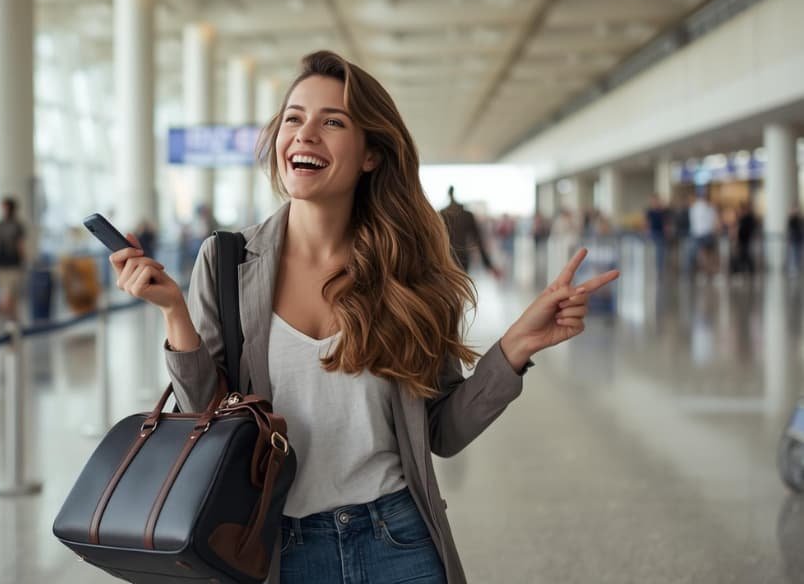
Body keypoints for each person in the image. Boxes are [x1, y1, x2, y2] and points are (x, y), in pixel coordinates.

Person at [108, 51, 619, 584]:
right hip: (277, 550)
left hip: (398, 540)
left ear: (371, 153)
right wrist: (175, 313)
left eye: (332, 122)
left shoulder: (408, 269)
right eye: (293, 117)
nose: (305, 134)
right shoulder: (228, 261)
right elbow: (207, 419)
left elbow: (441, 431)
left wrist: (516, 346)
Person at [440, 186, 501, 277]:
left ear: (448, 195)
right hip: (462, 259)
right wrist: (489, 266)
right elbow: (478, 241)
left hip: (447, 258)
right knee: (461, 288)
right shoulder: (466, 215)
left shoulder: (442, 214)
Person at [0, 197, 26, 320]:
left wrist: (24, 261)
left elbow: (20, 245)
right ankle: (12, 322)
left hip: (14, 265)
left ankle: (13, 322)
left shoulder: (17, 225)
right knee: (6, 297)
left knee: (12, 297)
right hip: (1, 265)